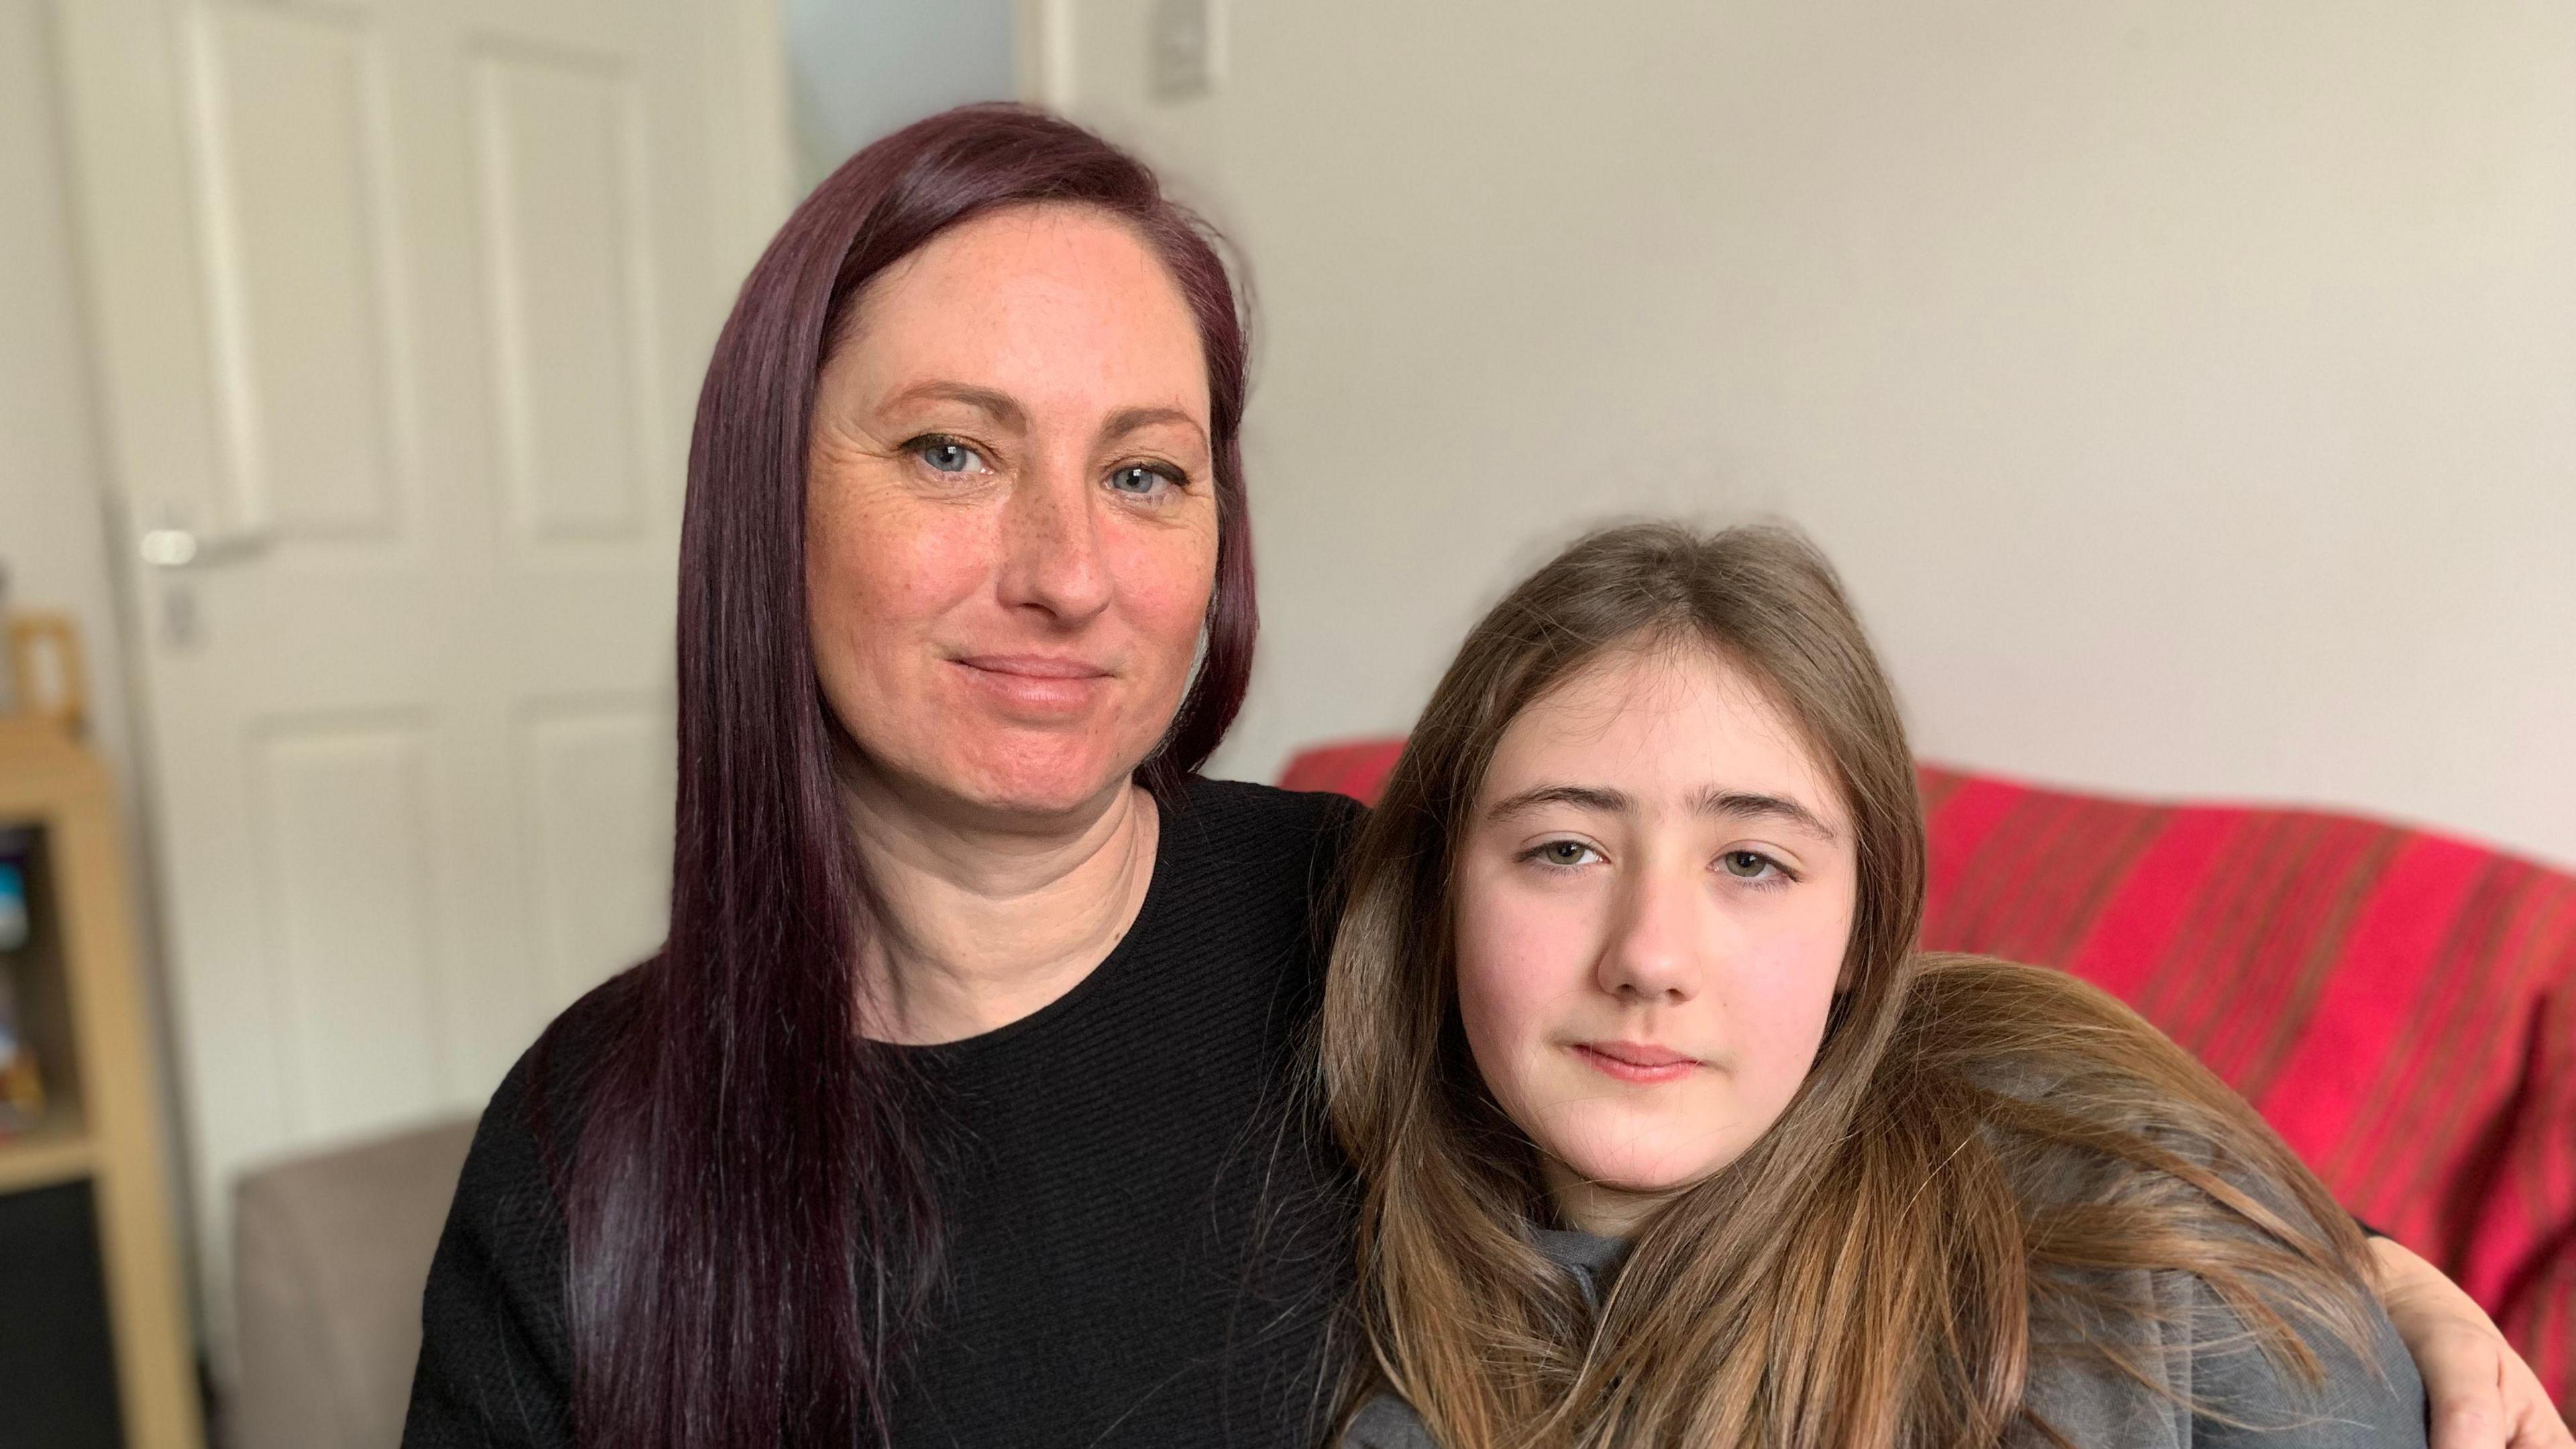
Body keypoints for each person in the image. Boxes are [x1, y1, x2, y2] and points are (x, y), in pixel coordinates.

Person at [400, 105, 2562, 1449]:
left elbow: (1884, 1079)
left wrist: (2375, 1281)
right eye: (953, 450)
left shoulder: (1372, 921)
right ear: (767, 503)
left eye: (1144, 473)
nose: (1063, 571)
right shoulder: (597, 1150)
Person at [1328, 523, 2436, 1447]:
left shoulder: (2128, 1223)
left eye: (1751, 864)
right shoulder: (1318, 1310)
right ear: (1439, 894)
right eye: (1566, 851)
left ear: (1868, 928)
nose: (1650, 959)